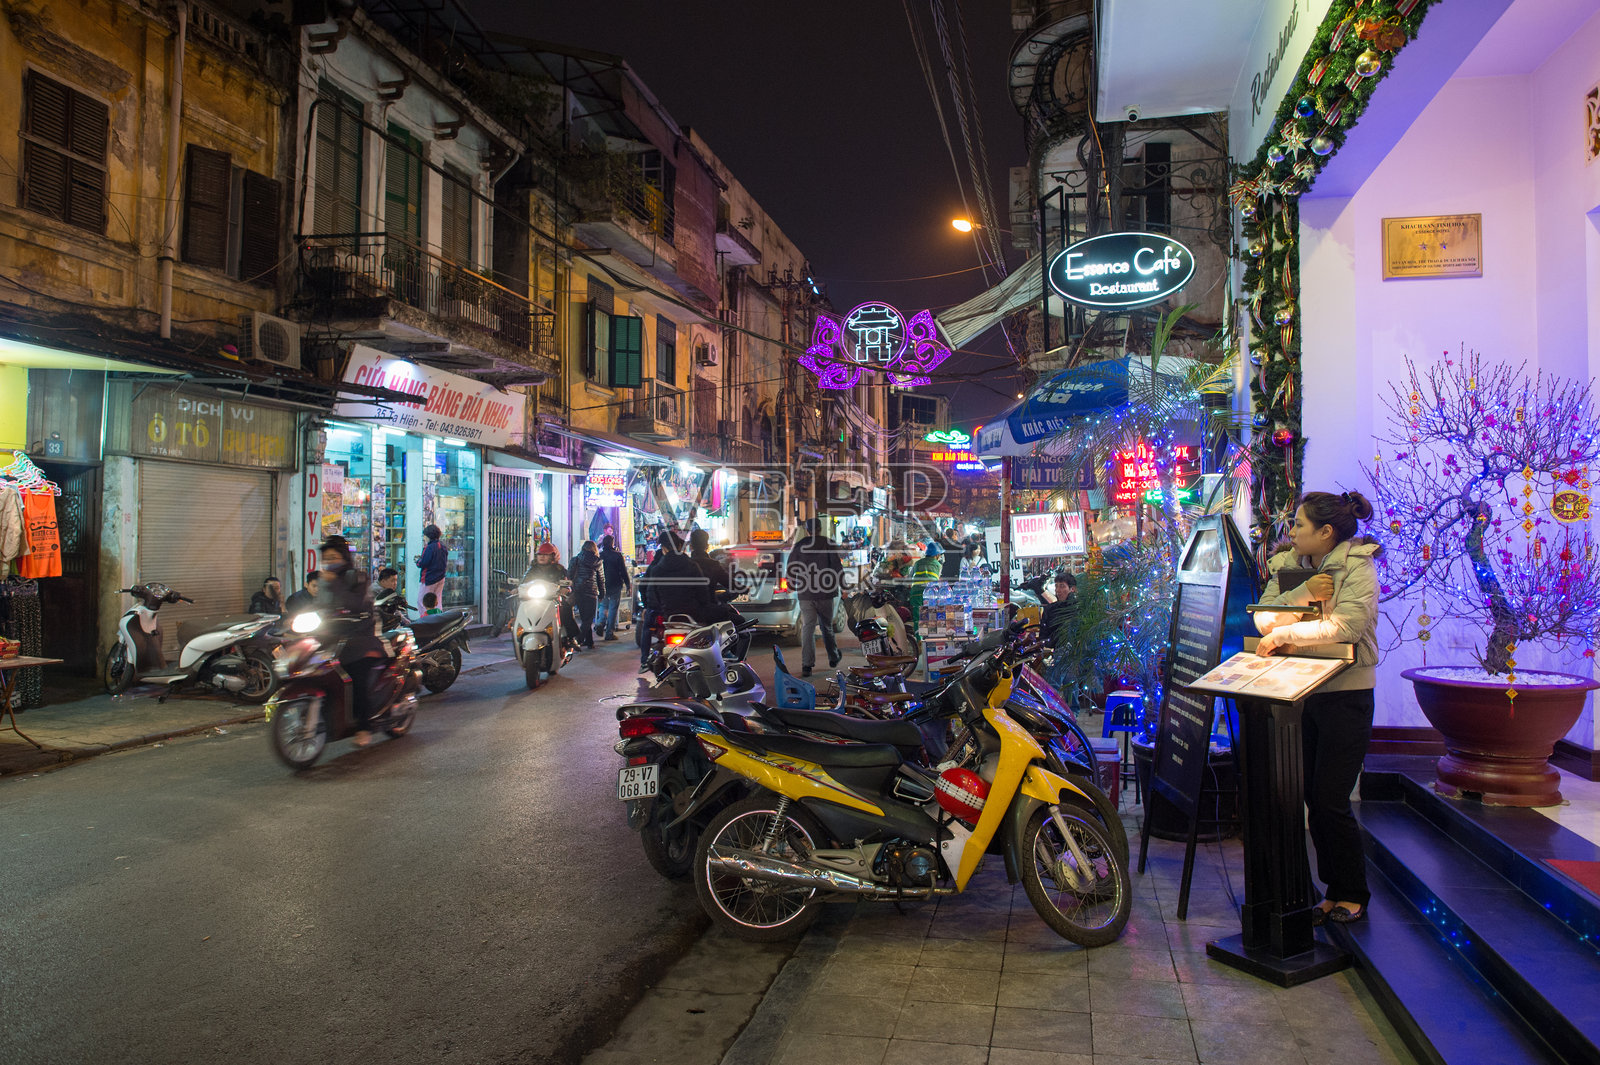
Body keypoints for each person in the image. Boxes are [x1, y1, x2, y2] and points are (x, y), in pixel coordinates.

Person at [1253, 490, 1382, 926]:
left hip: (1346, 694)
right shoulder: (1288, 566)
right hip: (1300, 692)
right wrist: (1305, 595)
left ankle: (1351, 892)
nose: (1291, 532)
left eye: (1300, 526)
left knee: (1330, 799)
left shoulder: (1357, 565)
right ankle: (1331, 891)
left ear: (1326, 533)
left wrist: (1289, 638)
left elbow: (1348, 625)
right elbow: (1262, 618)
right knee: (1312, 796)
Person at [314, 536, 383, 747]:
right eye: (326, 558)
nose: (329, 561)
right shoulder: (324, 580)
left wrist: (333, 583)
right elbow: (317, 604)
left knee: (357, 678)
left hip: (359, 638)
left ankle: (364, 726)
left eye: (334, 557)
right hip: (332, 637)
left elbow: (355, 603)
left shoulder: (357, 578)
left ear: (344, 558)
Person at [787, 518, 843, 677]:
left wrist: (791, 583)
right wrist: (844, 587)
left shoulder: (799, 546)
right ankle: (833, 657)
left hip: (806, 594)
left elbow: (791, 568)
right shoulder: (828, 544)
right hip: (826, 593)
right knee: (827, 627)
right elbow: (837, 567)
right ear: (820, 529)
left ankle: (807, 666)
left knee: (808, 628)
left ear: (807, 530)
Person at [523, 543, 580, 648]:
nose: (542, 557)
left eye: (545, 555)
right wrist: (517, 589)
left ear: (552, 556)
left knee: (565, 609)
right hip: (534, 599)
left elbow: (566, 582)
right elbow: (524, 582)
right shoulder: (532, 569)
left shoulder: (559, 569)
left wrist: (565, 589)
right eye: (540, 555)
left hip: (553, 599)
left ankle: (570, 637)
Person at [688, 529, 738, 625]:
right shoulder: (712, 564)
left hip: (687, 613)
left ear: (691, 546)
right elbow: (729, 583)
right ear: (707, 546)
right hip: (708, 612)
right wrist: (743, 588)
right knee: (740, 622)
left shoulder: (685, 564)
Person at [596, 534, 631, 641]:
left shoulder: (600, 555)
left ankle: (601, 623)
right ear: (612, 543)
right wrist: (628, 584)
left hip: (603, 585)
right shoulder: (617, 555)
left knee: (604, 605)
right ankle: (609, 633)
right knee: (613, 608)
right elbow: (623, 571)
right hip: (615, 584)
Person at [569, 540, 602, 650]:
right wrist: (602, 593)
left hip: (578, 591)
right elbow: (601, 579)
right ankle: (579, 639)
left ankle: (589, 641)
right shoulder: (598, 561)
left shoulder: (576, 559)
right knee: (588, 619)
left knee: (585, 618)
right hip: (591, 592)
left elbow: (569, 575)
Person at [1039, 571, 1078, 650]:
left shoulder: (1079, 608)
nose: (1058, 590)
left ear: (1072, 589)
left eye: (1062, 586)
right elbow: (1043, 636)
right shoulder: (1050, 609)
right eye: (1056, 586)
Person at [416, 524, 447, 607]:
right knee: (437, 601)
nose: (423, 538)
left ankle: (426, 619)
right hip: (440, 577)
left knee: (422, 601)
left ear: (428, 536)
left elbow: (424, 563)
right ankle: (438, 618)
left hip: (430, 578)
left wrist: (417, 561)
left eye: (424, 536)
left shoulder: (429, 547)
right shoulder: (442, 546)